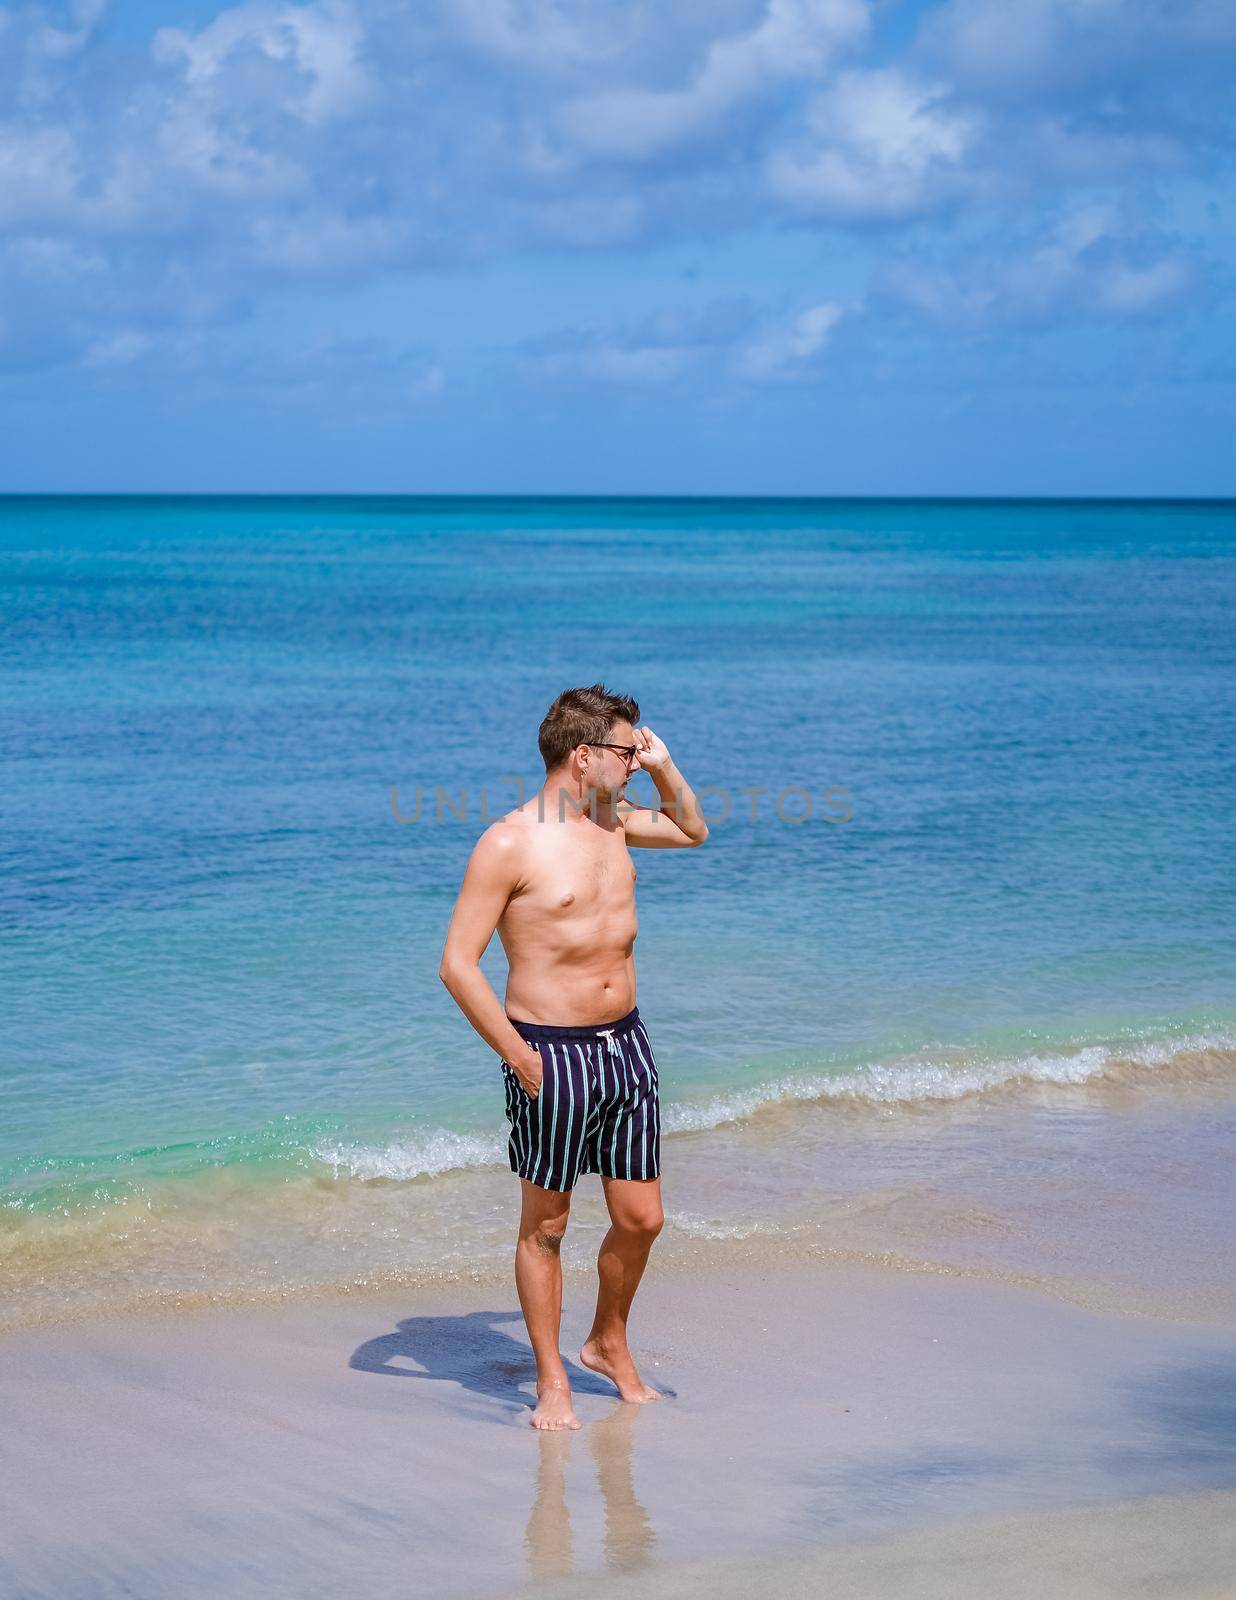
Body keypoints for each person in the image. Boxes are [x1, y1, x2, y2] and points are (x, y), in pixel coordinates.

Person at [438, 684, 709, 1429]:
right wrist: (518, 1057)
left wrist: (664, 766)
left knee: (642, 1217)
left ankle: (607, 1342)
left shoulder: (614, 821)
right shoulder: (509, 842)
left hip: (627, 1044)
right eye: (626, 751)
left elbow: (692, 831)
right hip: (548, 1054)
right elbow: (458, 964)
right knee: (547, 1226)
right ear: (582, 755)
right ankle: (552, 1378)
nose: (635, 760)